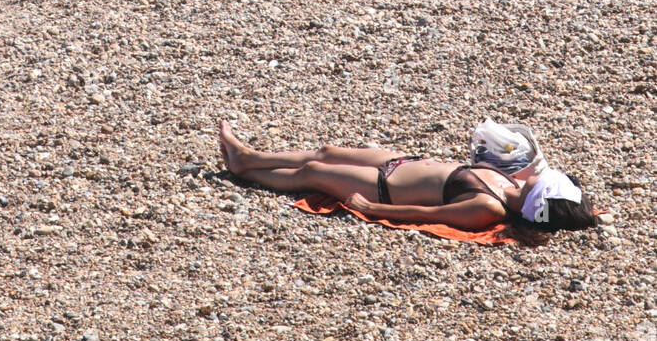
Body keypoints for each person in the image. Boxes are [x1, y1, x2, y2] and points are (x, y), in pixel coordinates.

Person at [218, 121, 597, 234]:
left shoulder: (488, 208)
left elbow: (425, 215)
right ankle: (250, 156)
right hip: (400, 163)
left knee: (313, 174)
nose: (541, 175)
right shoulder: (514, 181)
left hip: (383, 187)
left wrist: (373, 208)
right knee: (326, 153)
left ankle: (244, 167)